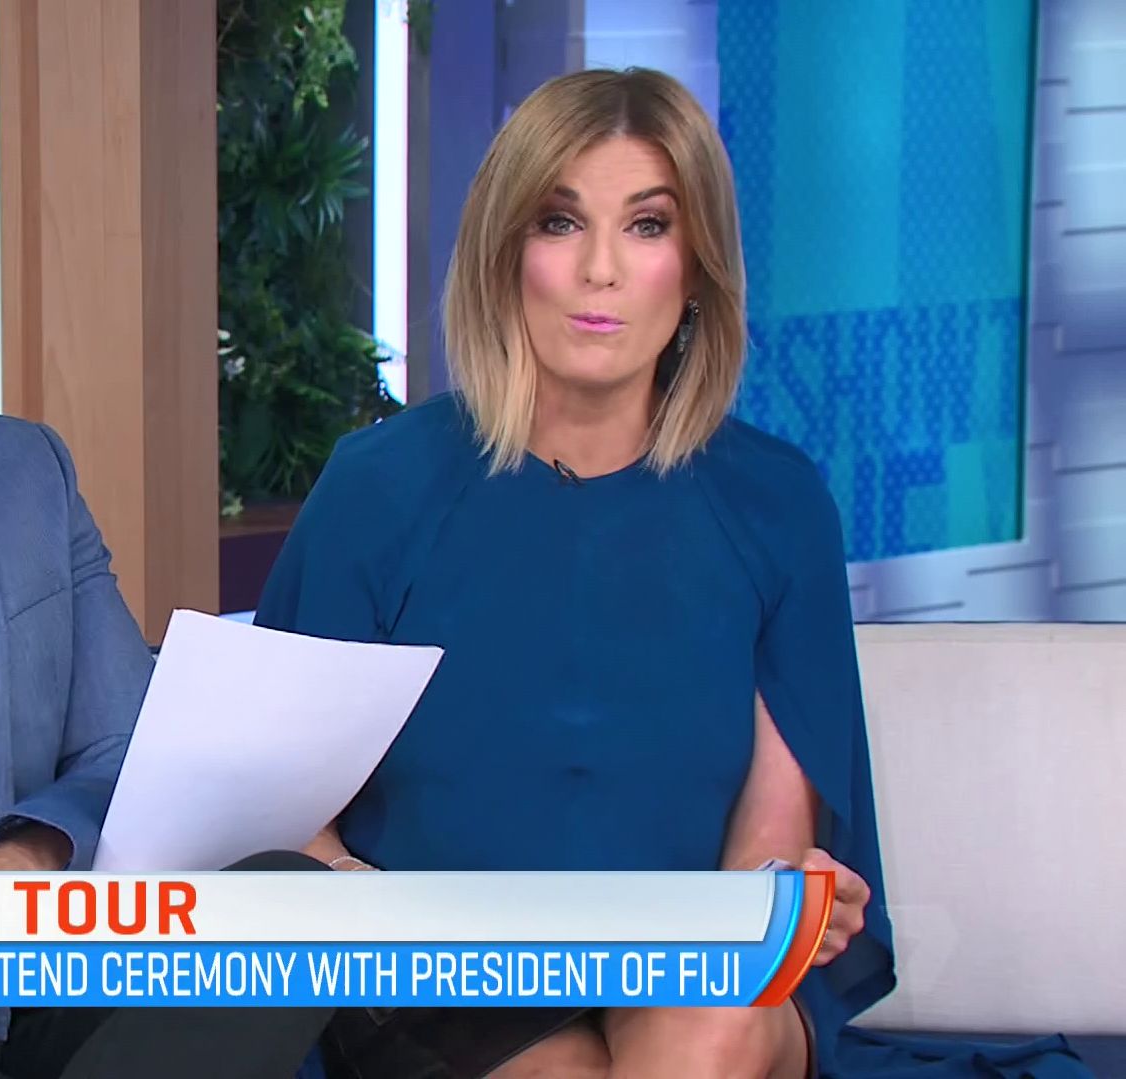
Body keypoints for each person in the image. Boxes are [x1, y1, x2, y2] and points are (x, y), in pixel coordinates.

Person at [254, 66, 960, 1079]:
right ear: (505, 254)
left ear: (697, 265)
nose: (599, 270)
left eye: (646, 225)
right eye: (559, 222)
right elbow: (291, 821)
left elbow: (762, 850)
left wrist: (785, 901)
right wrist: (377, 920)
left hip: (692, 967)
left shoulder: (774, 500)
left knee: (707, 1029)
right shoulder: (380, 487)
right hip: (433, 978)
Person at [0, 404, 334, 1078]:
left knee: (295, 897)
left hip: (28, 956)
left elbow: (125, 743)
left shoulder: (21, 469)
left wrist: (20, 859)